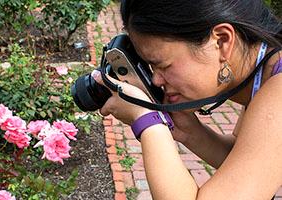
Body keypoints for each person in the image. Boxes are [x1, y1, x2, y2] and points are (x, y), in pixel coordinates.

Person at [92, 0, 282, 199]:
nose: (156, 80)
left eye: (163, 66)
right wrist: (190, 132)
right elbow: (248, 160)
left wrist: (146, 119)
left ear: (222, 41)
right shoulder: (267, 66)